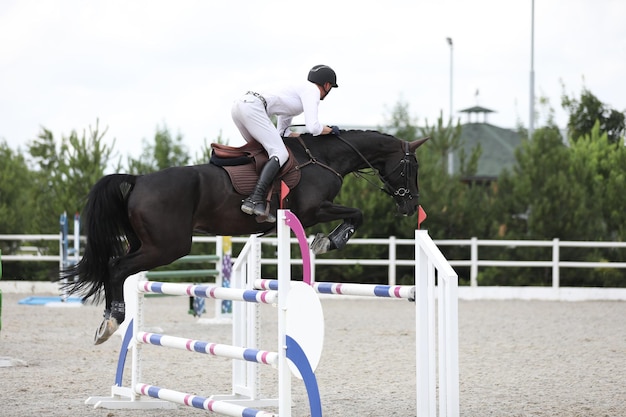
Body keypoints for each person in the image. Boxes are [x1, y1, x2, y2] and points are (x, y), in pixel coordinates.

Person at [231, 64, 340, 223]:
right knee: (280, 153)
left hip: (240, 106)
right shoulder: (312, 91)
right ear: (327, 85)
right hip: (252, 107)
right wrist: (330, 130)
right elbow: (314, 128)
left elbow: (283, 133)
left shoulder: (297, 91)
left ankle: (260, 199)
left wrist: (304, 137)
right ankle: (255, 198)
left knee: (264, 151)